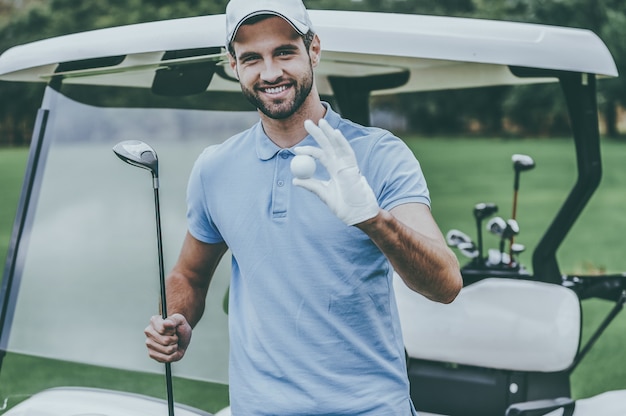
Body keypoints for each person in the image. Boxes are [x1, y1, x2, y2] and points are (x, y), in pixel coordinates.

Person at [144, 0, 463, 414]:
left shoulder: (381, 154)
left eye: (284, 52)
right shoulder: (215, 168)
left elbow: (446, 284)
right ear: (233, 65)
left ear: (313, 49)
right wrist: (178, 319)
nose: (271, 72)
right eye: (252, 58)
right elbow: (189, 273)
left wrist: (375, 221)